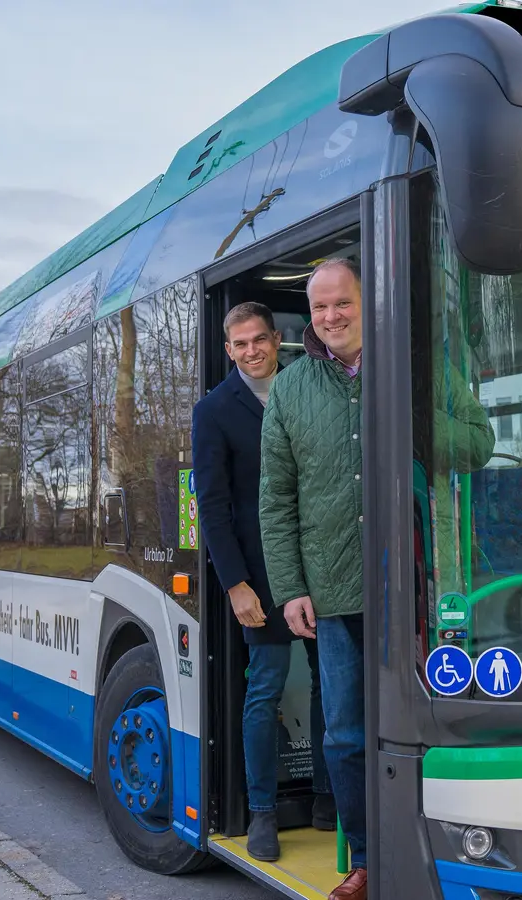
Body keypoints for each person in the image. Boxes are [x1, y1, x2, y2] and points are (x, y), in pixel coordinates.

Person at [260, 258, 493, 900]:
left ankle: (446, 847)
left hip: (422, 588)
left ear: (368, 302)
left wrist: (415, 414)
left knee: (437, 721)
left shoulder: (420, 370)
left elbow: (479, 443)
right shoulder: (290, 389)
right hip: (333, 591)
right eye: (320, 307)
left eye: (342, 303)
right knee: (344, 735)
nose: (330, 316)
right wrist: (290, 589)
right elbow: (275, 500)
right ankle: (367, 860)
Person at [192, 301, 331, 864]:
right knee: (265, 688)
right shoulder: (214, 410)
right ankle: (262, 812)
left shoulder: (310, 386)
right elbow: (212, 506)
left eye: (260, 340)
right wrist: (235, 584)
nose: (252, 351)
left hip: (323, 565)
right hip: (261, 574)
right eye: (240, 344)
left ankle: (328, 800)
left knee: (333, 685)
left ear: (277, 340)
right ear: (228, 350)